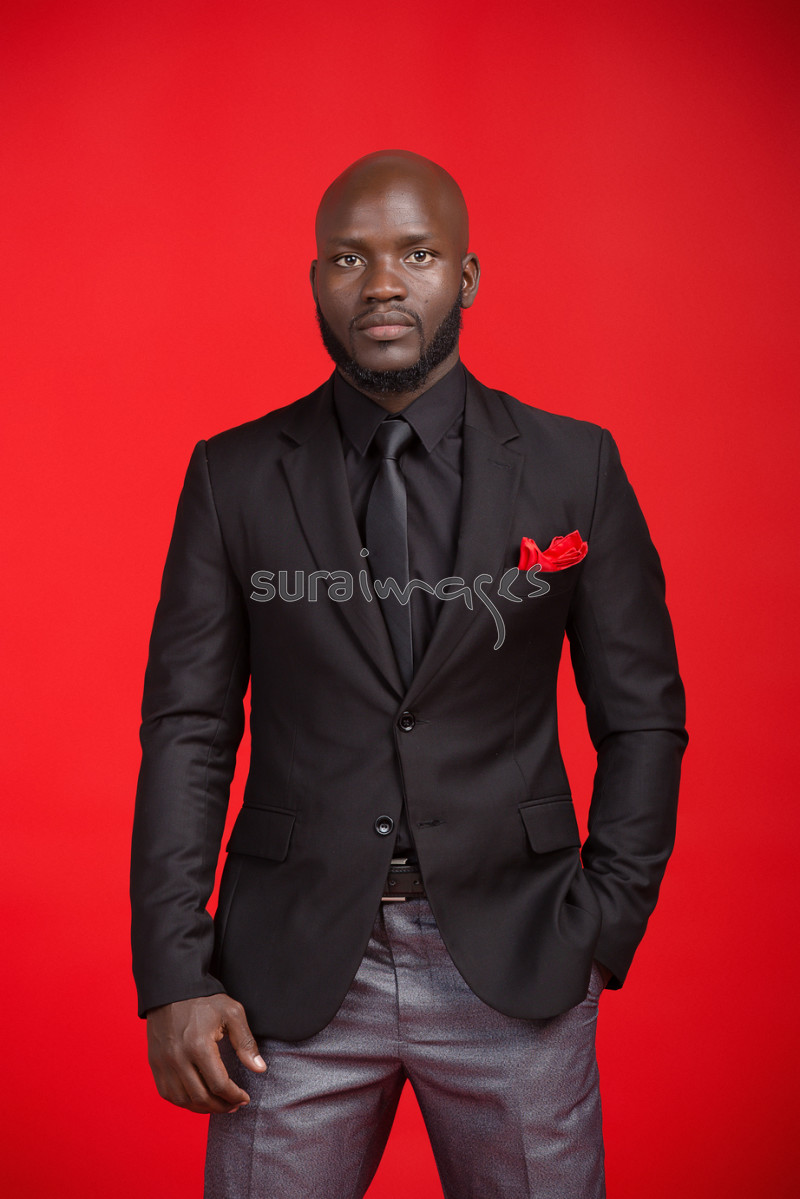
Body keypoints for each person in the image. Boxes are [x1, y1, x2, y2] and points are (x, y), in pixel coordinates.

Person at [131, 149, 687, 1199]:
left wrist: (603, 925)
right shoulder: (231, 474)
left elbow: (643, 717)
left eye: (416, 255)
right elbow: (188, 728)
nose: (381, 283)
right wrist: (172, 972)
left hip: (519, 958)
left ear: (465, 276)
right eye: (350, 258)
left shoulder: (575, 465)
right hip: (287, 976)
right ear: (315, 282)